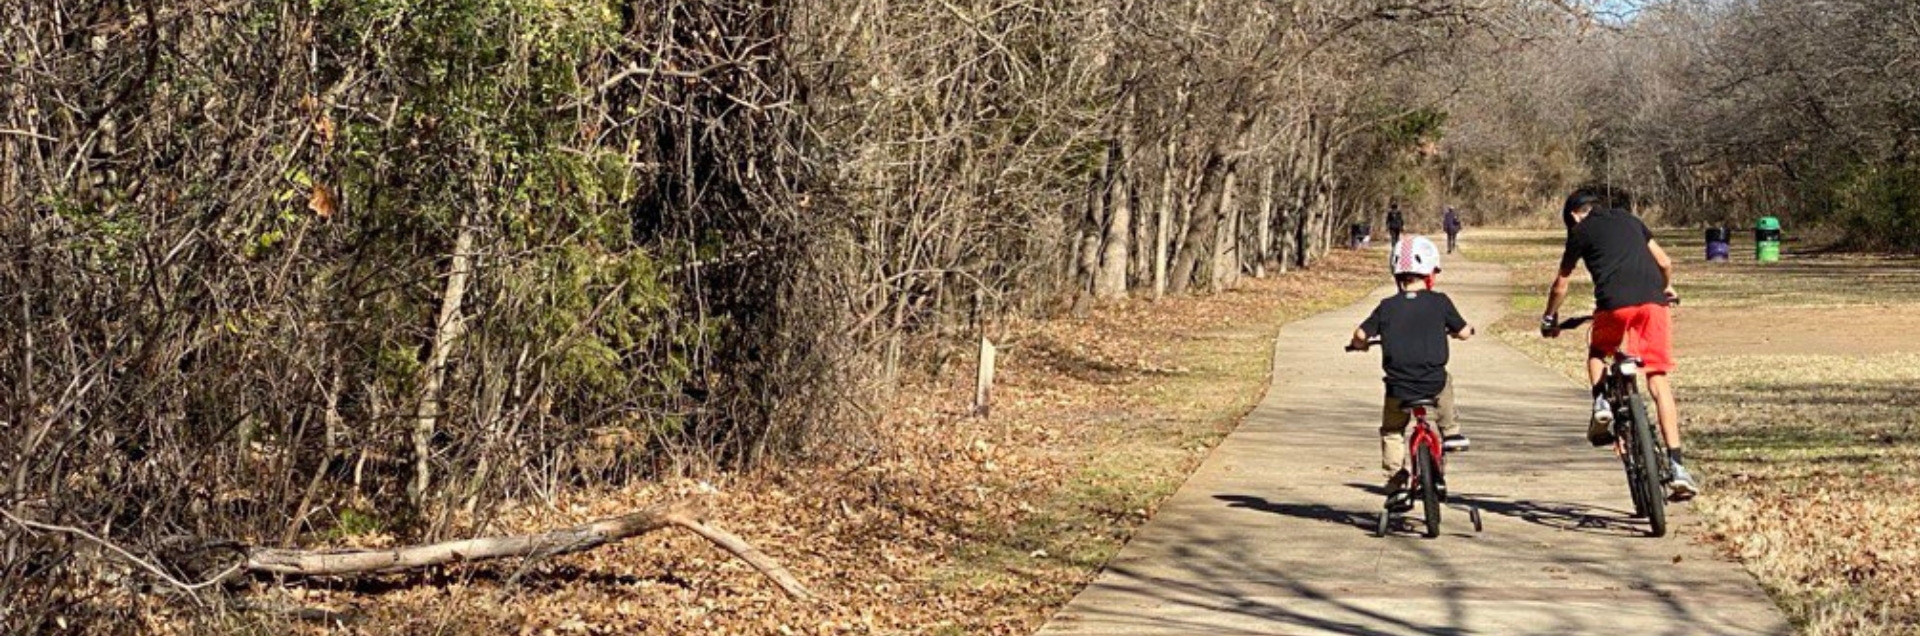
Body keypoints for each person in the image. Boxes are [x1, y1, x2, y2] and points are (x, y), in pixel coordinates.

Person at [1541, 185, 1699, 500]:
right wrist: (1665, 289)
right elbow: (1665, 263)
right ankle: (1678, 466)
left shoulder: (1580, 231)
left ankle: (1601, 402)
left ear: (1574, 215)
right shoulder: (1630, 220)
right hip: (1653, 304)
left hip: (1613, 305)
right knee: (1658, 378)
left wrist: (1549, 318)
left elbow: (1561, 284)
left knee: (1599, 351)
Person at [1350, 236, 1475, 511]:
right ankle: (1451, 432)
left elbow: (1361, 334)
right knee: (1446, 381)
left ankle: (1396, 486)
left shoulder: (1386, 307)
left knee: (1393, 431)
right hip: (1433, 382)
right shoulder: (1440, 302)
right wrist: (1461, 331)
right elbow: (1464, 332)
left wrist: (1359, 345)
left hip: (1398, 387)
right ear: (1430, 272)